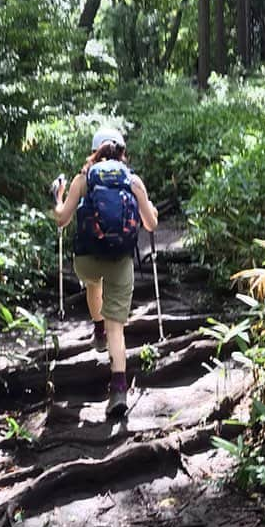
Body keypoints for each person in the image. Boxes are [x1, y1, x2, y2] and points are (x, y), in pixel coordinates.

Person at [52, 127, 159, 418]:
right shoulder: (132, 180)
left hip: (87, 258)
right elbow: (150, 225)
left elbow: (62, 219)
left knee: (93, 283)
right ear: (122, 152)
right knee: (118, 328)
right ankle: (119, 388)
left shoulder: (83, 179)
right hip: (120, 260)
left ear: (94, 151)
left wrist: (58, 197)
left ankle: (96, 328)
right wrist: (153, 211)